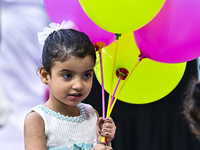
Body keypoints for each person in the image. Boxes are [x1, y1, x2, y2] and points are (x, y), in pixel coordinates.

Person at [24, 20, 116, 150]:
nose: (78, 85)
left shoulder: (92, 114)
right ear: (45, 75)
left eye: (86, 75)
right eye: (67, 75)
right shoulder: (38, 119)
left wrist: (105, 142)